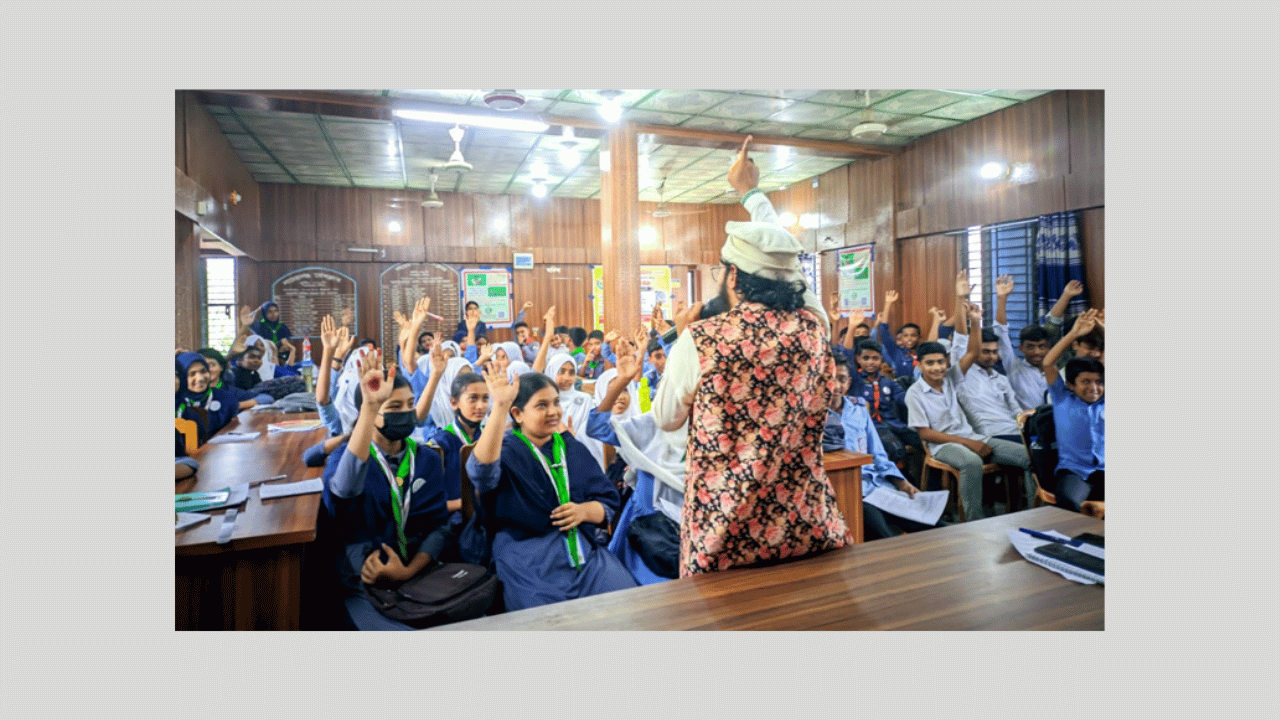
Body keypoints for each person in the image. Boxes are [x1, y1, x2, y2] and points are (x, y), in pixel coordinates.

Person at [654, 135, 851, 577]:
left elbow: (666, 419)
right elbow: (794, 274)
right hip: (806, 524)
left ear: (733, 277)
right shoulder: (814, 333)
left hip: (722, 535)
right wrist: (753, 196)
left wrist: (680, 346)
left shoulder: (701, 338)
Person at [466, 367, 637, 611]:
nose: (553, 412)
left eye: (556, 403)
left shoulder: (571, 448)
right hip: (526, 555)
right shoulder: (506, 450)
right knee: (545, 622)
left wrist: (585, 511)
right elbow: (481, 473)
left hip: (582, 552)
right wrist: (500, 406)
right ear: (518, 413)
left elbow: (607, 501)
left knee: (626, 606)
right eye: (541, 405)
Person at [321, 349, 454, 630]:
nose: (406, 412)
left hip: (420, 569)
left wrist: (407, 570)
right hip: (364, 577)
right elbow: (343, 493)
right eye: (394, 407)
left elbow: (438, 526)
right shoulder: (347, 458)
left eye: (410, 404)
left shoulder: (426, 459)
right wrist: (371, 406)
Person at [904, 289, 1031, 520]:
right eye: (930, 363)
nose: (937, 368)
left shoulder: (952, 377)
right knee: (971, 462)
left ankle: (1035, 513)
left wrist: (975, 320)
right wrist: (967, 442)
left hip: (973, 437)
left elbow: (973, 351)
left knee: (1028, 456)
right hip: (943, 445)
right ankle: (975, 521)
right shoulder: (915, 392)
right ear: (919, 365)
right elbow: (925, 432)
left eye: (941, 362)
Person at [824, 354, 939, 540]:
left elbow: (878, 454)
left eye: (842, 379)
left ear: (849, 382)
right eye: (829, 379)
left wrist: (902, 483)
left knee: (932, 523)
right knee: (882, 534)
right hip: (849, 489)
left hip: (877, 485)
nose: (836, 386)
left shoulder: (858, 409)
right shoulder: (814, 416)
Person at [1041, 309, 1105, 511]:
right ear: (1070, 384)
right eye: (1085, 382)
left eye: (1098, 382)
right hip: (1075, 472)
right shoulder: (1063, 398)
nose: (1093, 388)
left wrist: (1102, 327)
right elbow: (1048, 363)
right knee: (1069, 503)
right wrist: (1073, 334)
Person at [845, 339, 922, 478]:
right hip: (875, 427)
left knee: (922, 441)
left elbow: (904, 398)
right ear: (858, 359)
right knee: (897, 451)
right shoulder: (855, 379)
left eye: (875, 358)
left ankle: (927, 482)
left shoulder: (887, 381)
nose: (870, 362)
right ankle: (901, 481)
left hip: (894, 424)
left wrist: (919, 399)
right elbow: (846, 353)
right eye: (866, 358)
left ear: (881, 359)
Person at [992, 275, 1054, 410]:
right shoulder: (1014, 367)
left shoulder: (1056, 372)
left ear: (1048, 348)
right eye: (1030, 347)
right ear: (1021, 348)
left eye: (1041, 347)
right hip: (1026, 426)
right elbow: (1001, 333)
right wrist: (1002, 298)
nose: (1037, 352)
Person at [175, 352, 239, 445]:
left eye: (203, 371)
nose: (200, 378)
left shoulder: (226, 398)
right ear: (181, 377)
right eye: (191, 374)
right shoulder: (177, 403)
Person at [875, 290, 922, 381]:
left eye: (913, 335)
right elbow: (884, 331)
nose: (909, 339)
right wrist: (888, 304)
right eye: (906, 336)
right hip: (901, 389)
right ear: (901, 337)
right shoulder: (896, 352)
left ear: (919, 337)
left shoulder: (923, 351)